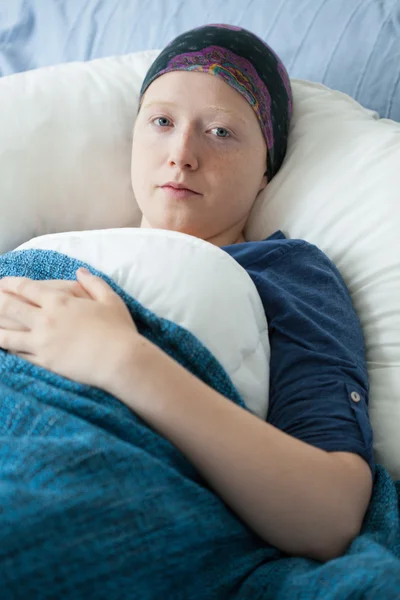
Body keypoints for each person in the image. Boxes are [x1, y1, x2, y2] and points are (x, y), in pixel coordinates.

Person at [0, 24, 374, 563]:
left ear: (266, 169)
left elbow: (332, 515)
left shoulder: (286, 270)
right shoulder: (48, 244)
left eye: (221, 132)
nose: (182, 153)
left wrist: (122, 359)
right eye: (161, 122)